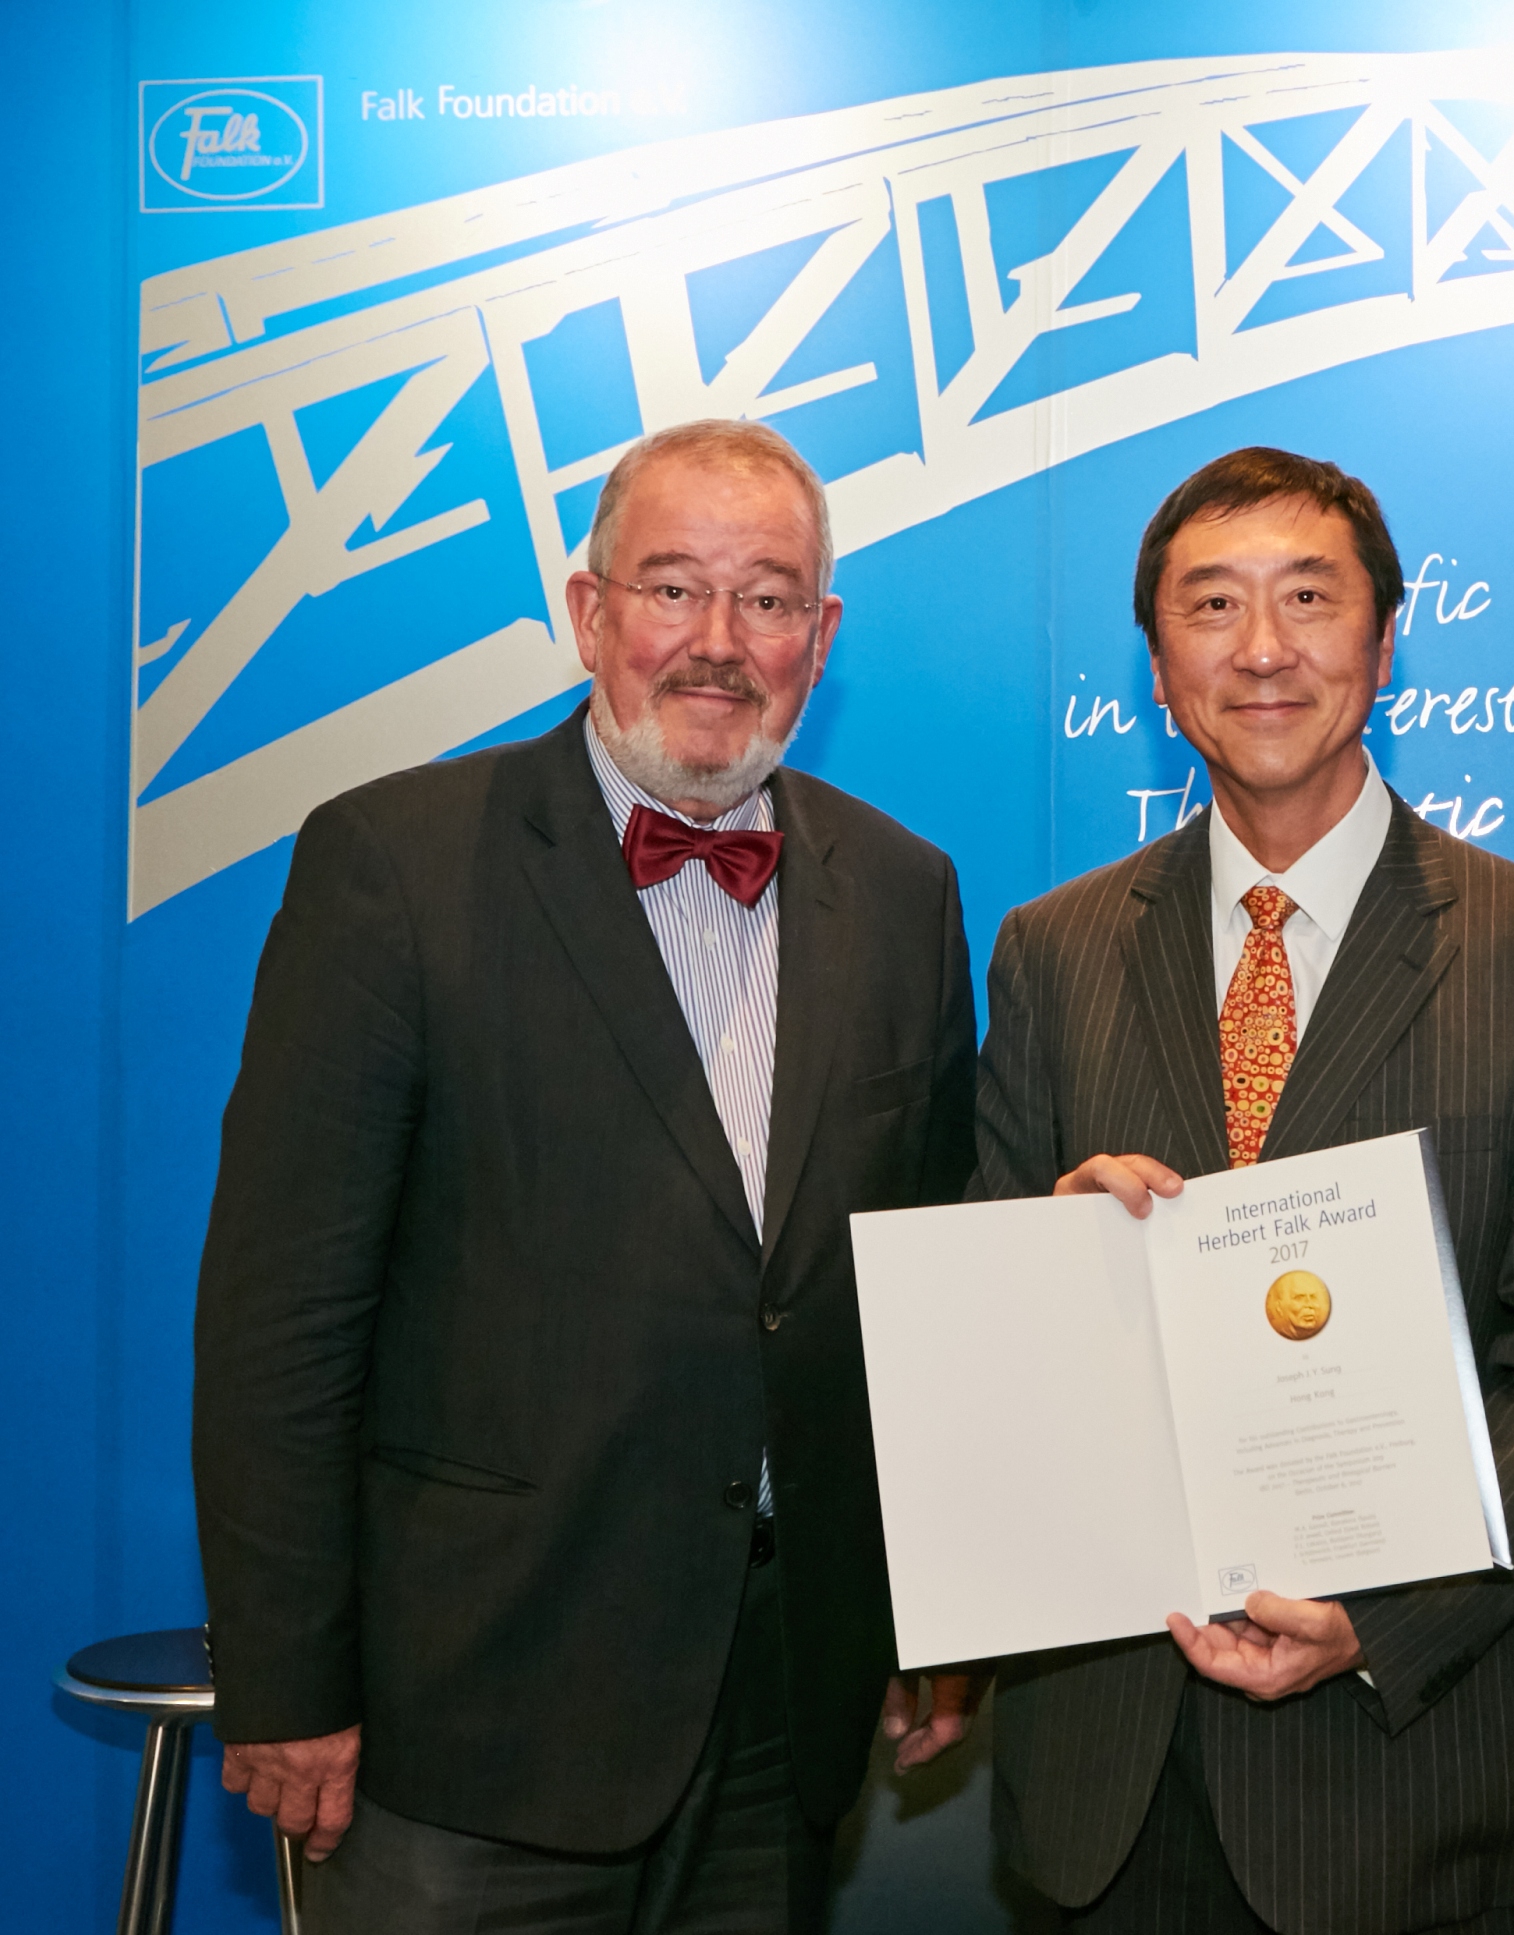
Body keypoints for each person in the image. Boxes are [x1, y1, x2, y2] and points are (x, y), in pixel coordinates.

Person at [191, 419, 978, 1933]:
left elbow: (912, 1305)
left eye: (765, 600)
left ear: (820, 636)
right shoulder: (393, 866)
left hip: (776, 1711)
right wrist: (287, 1680)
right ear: (586, 610)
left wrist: (934, 1606)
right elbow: (279, 1321)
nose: (716, 643)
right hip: (467, 1720)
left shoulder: (902, 891)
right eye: (671, 588)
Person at [964, 447, 1514, 1933]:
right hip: (1106, 1792)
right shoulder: (1052, 951)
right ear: (1159, 668)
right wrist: (1046, 1265)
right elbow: (988, 1375)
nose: (1263, 648)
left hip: (1412, 1792)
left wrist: (1376, 1625)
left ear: (1384, 643)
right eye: (1211, 606)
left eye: (1306, 598)